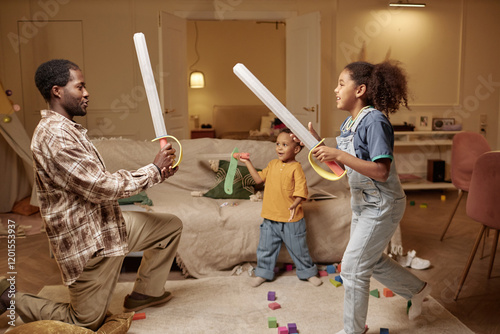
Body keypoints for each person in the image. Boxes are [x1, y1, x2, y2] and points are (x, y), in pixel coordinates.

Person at [0, 59, 183, 331]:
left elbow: (96, 183)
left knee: (169, 228)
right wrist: (153, 169)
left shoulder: (69, 129)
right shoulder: (55, 136)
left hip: (107, 225)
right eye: (80, 86)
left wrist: (156, 172)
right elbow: (102, 187)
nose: (86, 93)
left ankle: (145, 293)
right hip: (87, 243)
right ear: (57, 91)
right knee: (85, 322)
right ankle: (7, 295)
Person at [296, 61, 431, 334]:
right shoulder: (350, 123)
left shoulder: (375, 121)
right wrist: (316, 144)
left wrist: (339, 154)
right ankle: (417, 290)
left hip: (382, 204)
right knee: (371, 260)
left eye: (341, 84)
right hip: (362, 202)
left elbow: (381, 171)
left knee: (353, 268)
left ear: (360, 89)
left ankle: (353, 331)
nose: (335, 90)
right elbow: (343, 166)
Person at [239, 128, 322, 288]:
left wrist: (295, 203)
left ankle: (308, 273)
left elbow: (301, 190)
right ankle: (263, 273)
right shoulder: (272, 164)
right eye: (277, 144)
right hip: (270, 218)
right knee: (265, 249)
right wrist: (248, 163)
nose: (279, 148)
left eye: (284, 144)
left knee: (299, 249)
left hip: (291, 220)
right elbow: (257, 179)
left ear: (296, 149)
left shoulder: (296, 168)